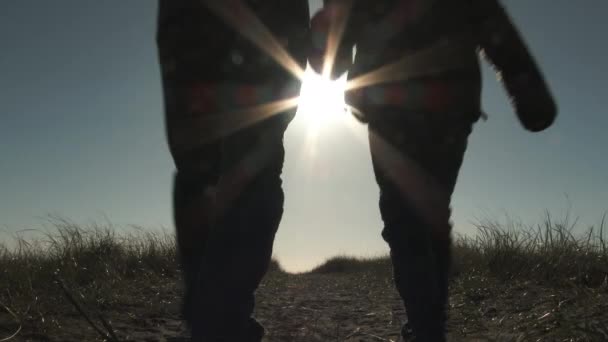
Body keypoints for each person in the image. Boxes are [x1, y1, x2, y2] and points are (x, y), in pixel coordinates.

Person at [310, 0, 557, 341]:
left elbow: (328, 54)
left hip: (393, 104)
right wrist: (528, 89)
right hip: (447, 103)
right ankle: (430, 323)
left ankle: (426, 325)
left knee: (404, 216)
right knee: (430, 213)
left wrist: (328, 50)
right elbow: (493, 23)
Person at [156, 0, 310, 340]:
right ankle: (219, 320)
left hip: (195, 24)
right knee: (245, 169)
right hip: (257, 24)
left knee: (207, 170)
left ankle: (214, 318)